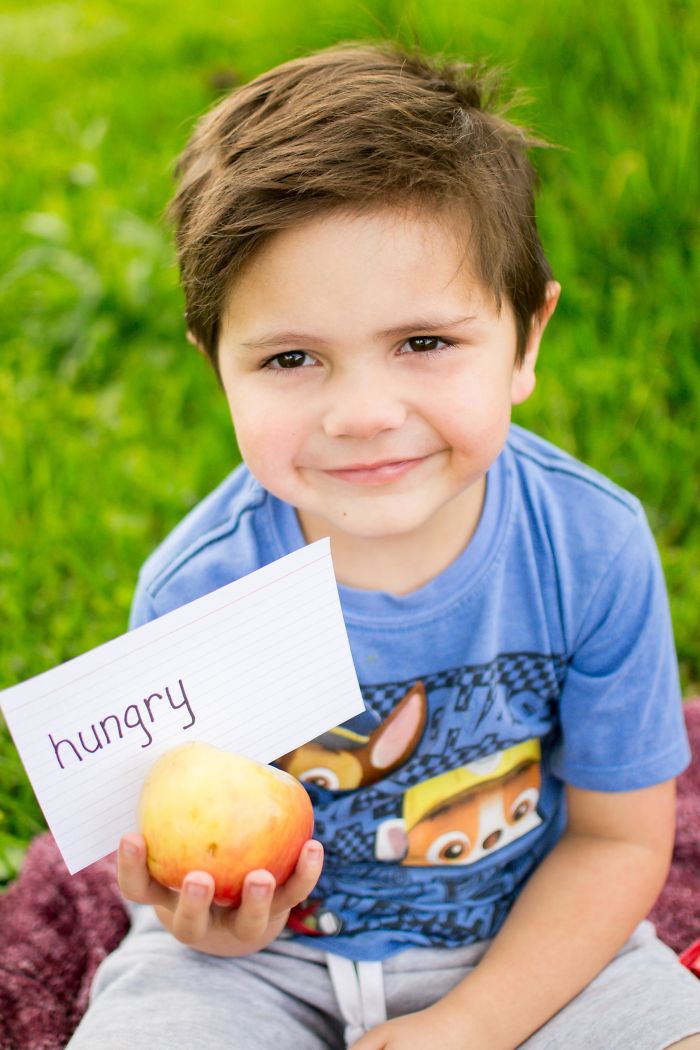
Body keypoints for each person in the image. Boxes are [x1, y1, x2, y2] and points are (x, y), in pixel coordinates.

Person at [67, 41, 700, 1050]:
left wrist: (472, 1027)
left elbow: (619, 841)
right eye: (289, 358)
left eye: (423, 343)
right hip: (263, 968)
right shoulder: (202, 587)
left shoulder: (590, 546)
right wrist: (204, 914)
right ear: (215, 365)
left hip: (525, 947)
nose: (363, 414)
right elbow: (188, 847)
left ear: (526, 339)